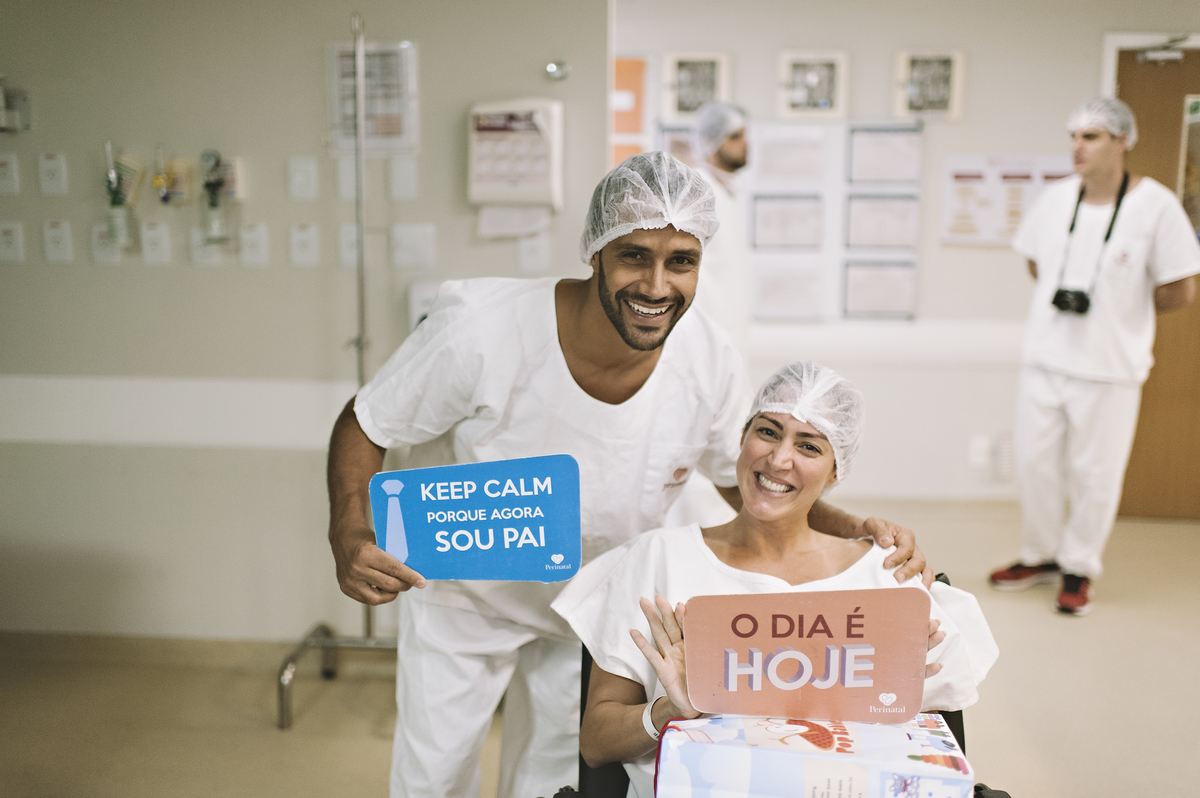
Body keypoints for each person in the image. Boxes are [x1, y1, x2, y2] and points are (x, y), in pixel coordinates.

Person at [326, 153, 927, 798]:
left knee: (550, 782)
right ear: (594, 252)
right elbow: (367, 422)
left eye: (681, 262)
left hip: (586, 610)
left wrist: (857, 530)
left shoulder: (707, 360)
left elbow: (746, 481)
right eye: (634, 256)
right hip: (463, 602)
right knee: (432, 782)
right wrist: (349, 531)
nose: (657, 286)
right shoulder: (484, 331)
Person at [552, 362, 997, 797]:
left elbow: (928, 764)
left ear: (837, 469)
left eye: (809, 446)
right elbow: (596, 745)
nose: (779, 459)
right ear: (742, 438)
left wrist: (893, 706)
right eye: (767, 431)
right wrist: (670, 709)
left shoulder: (887, 579)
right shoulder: (659, 558)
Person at [988, 98, 1200, 615]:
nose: (1077, 147)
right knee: (1035, 465)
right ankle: (1040, 555)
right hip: (1045, 357)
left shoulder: (1156, 206)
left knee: (1095, 474)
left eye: (1092, 136)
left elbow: (1180, 289)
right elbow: (1038, 265)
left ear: (1123, 141)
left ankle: (1079, 567)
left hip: (1110, 366)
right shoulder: (1056, 199)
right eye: (1074, 136)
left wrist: (1120, 314)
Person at [661, 102, 754, 530]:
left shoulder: (725, 192)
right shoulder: (702, 192)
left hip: (728, 341)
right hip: (699, 343)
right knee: (699, 447)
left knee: (720, 440)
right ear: (713, 141)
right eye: (735, 136)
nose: (744, 145)